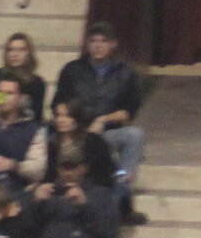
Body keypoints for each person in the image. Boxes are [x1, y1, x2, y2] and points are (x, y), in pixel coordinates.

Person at [52, 23, 144, 212]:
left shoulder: (125, 72)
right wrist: (73, 123)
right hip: (75, 133)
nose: (98, 45)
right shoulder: (72, 70)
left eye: (103, 41)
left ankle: (121, 191)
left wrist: (103, 120)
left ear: (113, 44)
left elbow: (129, 110)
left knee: (135, 135)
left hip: (106, 133)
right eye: (93, 41)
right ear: (87, 44)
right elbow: (58, 102)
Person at [12, 144, 122, 238]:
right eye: (64, 167)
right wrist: (35, 204)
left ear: (85, 168)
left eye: (73, 167)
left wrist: (84, 206)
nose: (68, 173)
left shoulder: (100, 194)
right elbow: (22, 234)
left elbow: (108, 234)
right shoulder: (43, 192)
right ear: (58, 169)